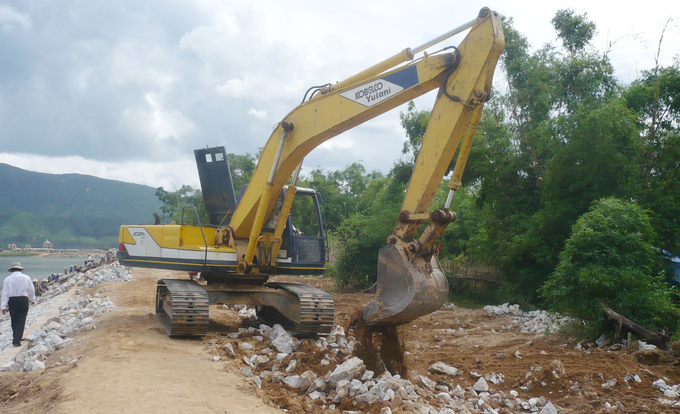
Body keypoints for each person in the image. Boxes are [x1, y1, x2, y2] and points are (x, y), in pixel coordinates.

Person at [1, 262, 36, 347]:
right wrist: (32, 299)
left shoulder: (7, 279)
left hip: (12, 300)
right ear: (20, 269)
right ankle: (17, 340)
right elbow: (31, 290)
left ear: (11, 270)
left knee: (14, 319)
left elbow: (5, 293)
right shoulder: (26, 278)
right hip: (23, 300)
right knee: (21, 319)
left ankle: (16, 337)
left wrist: (3, 306)